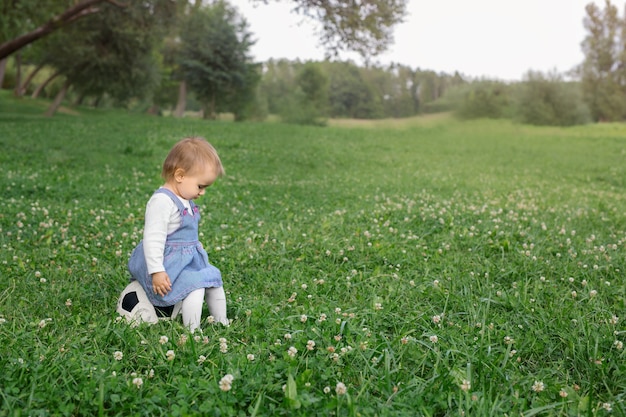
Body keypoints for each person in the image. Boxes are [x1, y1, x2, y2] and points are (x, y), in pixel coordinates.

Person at [116, 137, 228, 332]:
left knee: (213, 280)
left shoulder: (183, 196)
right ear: (179, 175)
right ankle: (192, 330)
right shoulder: (162, 202)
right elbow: (153, 239)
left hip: (187, 260)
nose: (202, 193)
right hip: (169, 264)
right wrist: (157, 271)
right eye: (200, 186)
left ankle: (222, 321)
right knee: (196, 287)